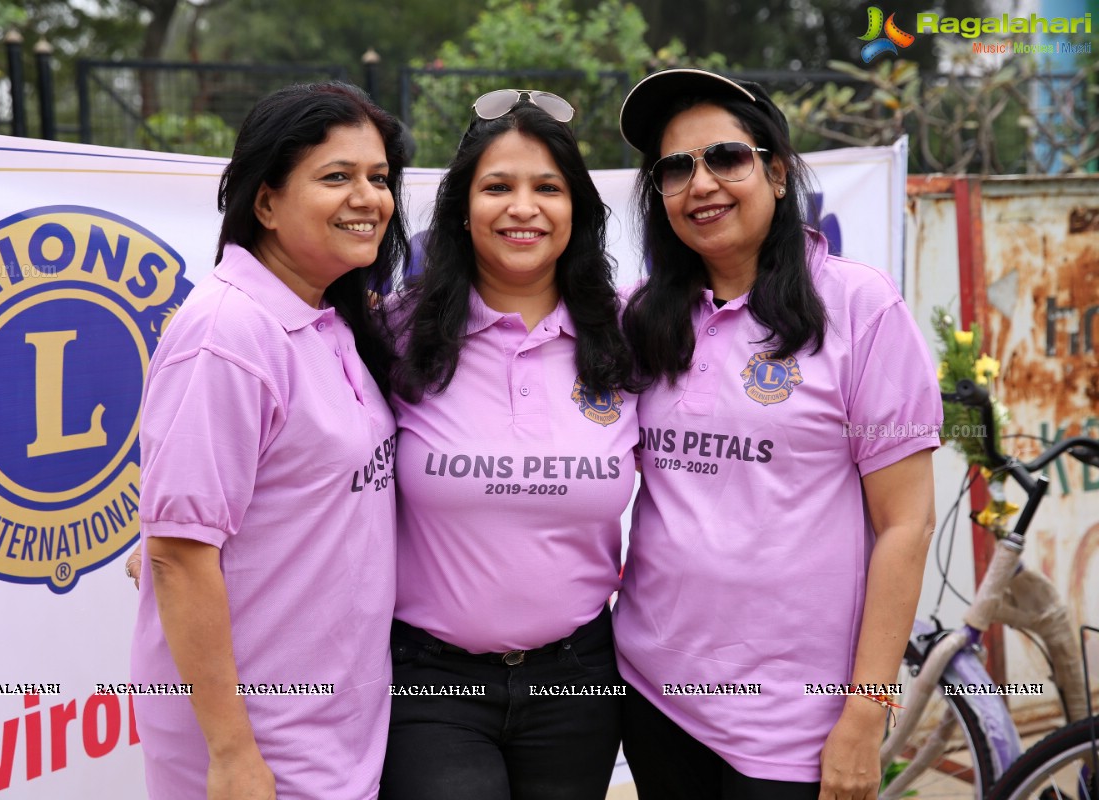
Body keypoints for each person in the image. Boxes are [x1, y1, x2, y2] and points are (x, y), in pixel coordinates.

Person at [613, 69, 942, 800]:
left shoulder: (860, 307)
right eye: (675, 168)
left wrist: (867, 710)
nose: (701, 184)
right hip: (656, 698)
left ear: (778, 171)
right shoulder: (642, 319)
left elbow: (906, 525)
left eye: (725, 158)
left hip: (799, 723)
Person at [129, 81, 408, 800]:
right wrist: (232, 754)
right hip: (256, 739)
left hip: (333, 724)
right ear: (265, 203)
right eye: (336, 177)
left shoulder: (331, 316)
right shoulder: (228, 332)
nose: (369, 198)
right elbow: (179, 555)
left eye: (378, 178)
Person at [378, 90, 637, 800]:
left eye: (547, 188)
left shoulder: (628, 332)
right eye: (498, 186)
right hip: (430, 681)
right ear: (464, 206)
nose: (523, 207)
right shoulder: (397, 331)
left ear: (577, 209)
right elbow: (310, 445)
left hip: (580, 679)